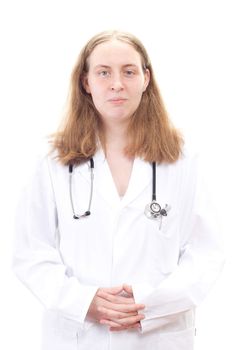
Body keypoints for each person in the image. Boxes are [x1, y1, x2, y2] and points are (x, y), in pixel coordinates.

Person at [13, 30, 224, 350]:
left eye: (129, 71)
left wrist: (148, 305)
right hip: (79, 336)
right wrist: (84, 302)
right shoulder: (54, 159)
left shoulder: (182, 157)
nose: (116, 84)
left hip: (157, 336)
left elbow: (207, 253)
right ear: (86, 82)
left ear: (145, 79)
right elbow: (31, 253)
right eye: (103, 72)